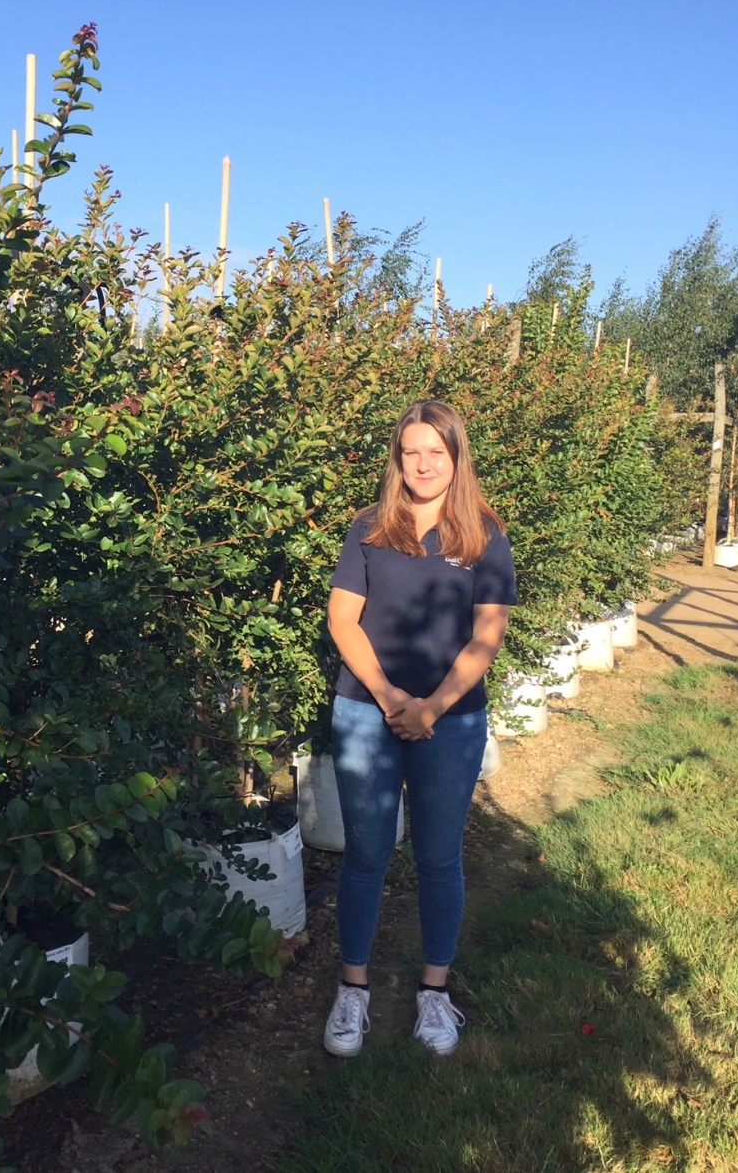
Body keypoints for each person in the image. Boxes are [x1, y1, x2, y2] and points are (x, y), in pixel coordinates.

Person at [323, 399, 517, 1058]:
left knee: (438, 857)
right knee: (365, 856)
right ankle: (353, 988)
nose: (424, 463)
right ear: (398, 458)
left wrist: (430, 706)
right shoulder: (369, 528)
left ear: (457, 457)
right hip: (364, 713)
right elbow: (343, 618)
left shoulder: (486, 536)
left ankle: (434, 993)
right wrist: (387, 697)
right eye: (413, 451)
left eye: (437, 450)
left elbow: (486, 635)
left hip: (452, 721)